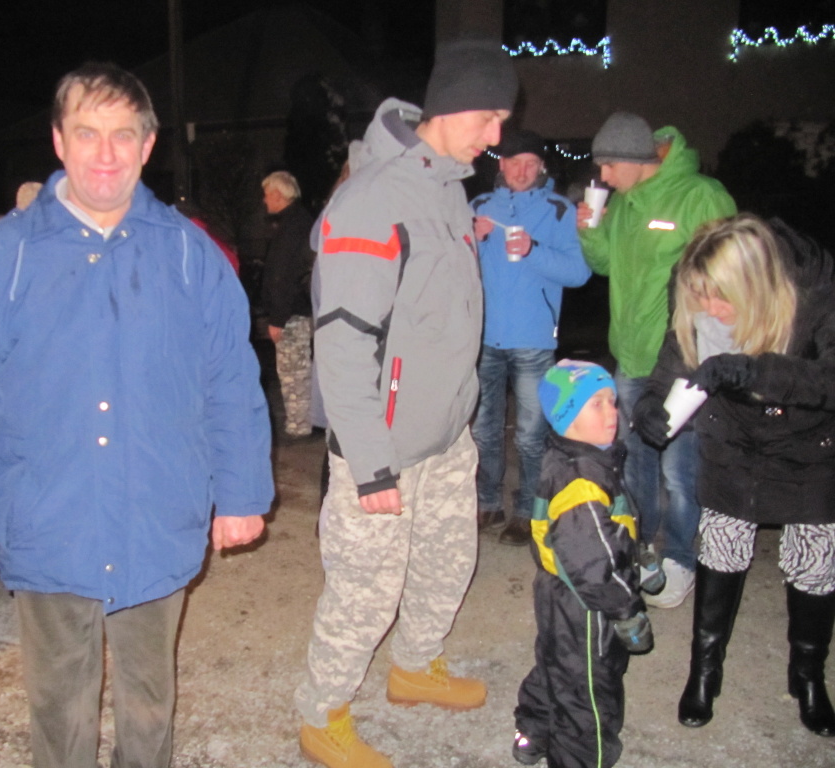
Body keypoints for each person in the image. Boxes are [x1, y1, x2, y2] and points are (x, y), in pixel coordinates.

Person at [0, 62, 273, 768]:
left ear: (149, 144)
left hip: (156, 518)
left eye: (123, 134)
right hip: (47, 520)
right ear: (59, 141)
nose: (105, 153)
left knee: (150, 702)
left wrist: (241, 494)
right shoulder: (2, 258)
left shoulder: (189, 254)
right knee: (59, 707)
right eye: (87, 133)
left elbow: (231, 381)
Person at [296, 39, 517, 768]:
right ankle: (322, 712)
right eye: (489, 117)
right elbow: (342, 344)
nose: (496, 135)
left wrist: (461, 420)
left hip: (446, 433)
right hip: (384, 444)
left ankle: (415, 667)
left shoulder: (448, 187)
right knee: (364, 593)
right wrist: (370, 465)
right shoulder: (372, 200)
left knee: (446, 564)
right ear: (452, 105)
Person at [631, 215, 835, 738]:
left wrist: (754, 370)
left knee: (815, 563)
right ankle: (705, 670)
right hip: (735, 442)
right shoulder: (699, 292)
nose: (711, 312)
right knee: (722, 549)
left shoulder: (816, 286)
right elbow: (674, 359)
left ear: (756, 285)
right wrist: (651, 404)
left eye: (721, 299)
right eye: (700, 299)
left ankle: (808, 675)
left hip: (809, 443)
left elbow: (830, 381)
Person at [578, 112, 736, 608]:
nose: (603, 177)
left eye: (609, 166)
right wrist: (590, 229)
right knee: (636, 463)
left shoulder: (701, 196)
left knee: (679, 471)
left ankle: (681, 559)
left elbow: (730, 275)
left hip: (683, 362)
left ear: (636, 158)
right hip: (630, 356)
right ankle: (642, 547)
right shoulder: (624, 205)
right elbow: (604, 264)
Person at [513, 360, 650, 768]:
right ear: (566, 416)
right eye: (596, 404)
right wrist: (626, 609)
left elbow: (613, 524)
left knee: (556, 663)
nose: (612, 413)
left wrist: (640, 555)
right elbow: (593, 562)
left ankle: (533, 729)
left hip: (559, 593)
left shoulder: (585, 458)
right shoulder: (581, 484)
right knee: (587, 690)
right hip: (585, 604)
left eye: (612, 401)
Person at [470, 129, 590, 545]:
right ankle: (487, 502)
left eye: (530, 164)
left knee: (530, 435)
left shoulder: (558, 210)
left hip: (534, 339)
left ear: (541, 167)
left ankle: (527, 511)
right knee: (483, 430)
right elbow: (455, 266)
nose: (521, 171)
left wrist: (534, 250)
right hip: (483, 337)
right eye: (514, 162)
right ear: (501, 164)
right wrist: (473, 242)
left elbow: (579, 273)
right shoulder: (479, 207)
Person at [261, 170, 315, 438]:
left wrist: (277, 319)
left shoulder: (292, 227)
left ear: (278, 195)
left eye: (266, 194)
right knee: (297, 369)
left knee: (293, 371)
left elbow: (284, 276)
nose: (264, 200)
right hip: (298, 309)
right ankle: (301, 422)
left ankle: (299, 425)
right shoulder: (299, 222)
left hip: (292, 313)